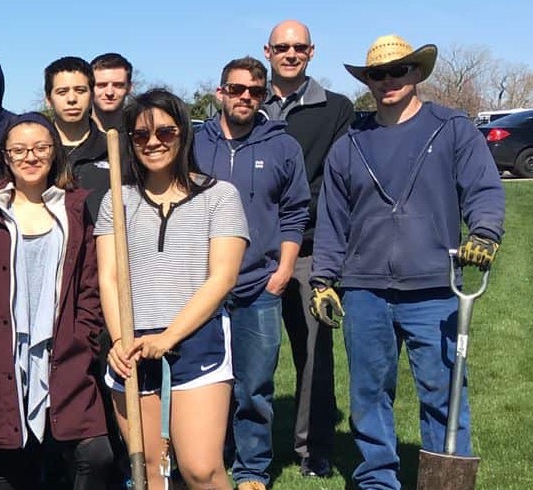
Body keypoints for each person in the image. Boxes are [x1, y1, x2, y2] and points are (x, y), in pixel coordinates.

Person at [313, 35, 505, 490]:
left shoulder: (451, 127)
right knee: (368, 394)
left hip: (436, 288)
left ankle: (446, 478)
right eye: (377, 74)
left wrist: (483, 233)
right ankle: (378, 478)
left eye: (398, 71)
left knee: (444, 391)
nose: (388, 81)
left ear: (416, 73)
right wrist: (323, 278)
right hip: (364, 290)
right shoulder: (350, 144)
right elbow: (333, 217)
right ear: (367, 82)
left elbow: (483, 189)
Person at [0, 113, 113, 489]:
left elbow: (89, 286)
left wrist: (83, 338)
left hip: (63, 351)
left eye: (40, 148)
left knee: (95, 454)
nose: (30, 157)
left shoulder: (73, 210)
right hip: (4, 354)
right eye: (19, 150)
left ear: (55, 153)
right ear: (5, 155)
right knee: (10, 462)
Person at [97, 89, 246, 490]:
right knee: (148, 467)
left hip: (197, 341)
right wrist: (119, 340)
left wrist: (169, 337)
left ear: (183, 134)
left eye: (165, 131)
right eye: (140, 135)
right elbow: (108, 276)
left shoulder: (219, 196)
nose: (153, 142)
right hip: (131, 345)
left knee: (200, 468)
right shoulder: (118, 199)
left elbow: (222, 278)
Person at [192, 57, 311, 490]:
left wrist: (282, 270)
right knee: (201, 381)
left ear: (263, 96)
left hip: (257, 285)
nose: (246, 97)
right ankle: (205, 460)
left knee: (254, 386)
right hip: (201, 286)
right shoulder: (194, 143)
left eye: (255, 91)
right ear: (220, 91)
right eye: (237, 89)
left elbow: (296, 210)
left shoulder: (282, 146)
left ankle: (251, 469)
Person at [260, 20, 353, 477]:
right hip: (248, 251)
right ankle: (244, 447)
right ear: (267, 51)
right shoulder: (247, 101)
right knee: (242, 354)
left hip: (311, 249)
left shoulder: (335, 109)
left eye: (299, 47)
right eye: (282, 47)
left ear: (312, 52)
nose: (290, 53)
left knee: (314, 353)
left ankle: (313, 449)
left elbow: (333, 183)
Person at [43, 56, 114, 218]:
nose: (72, 99)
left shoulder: (115, 150)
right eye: (62, 92)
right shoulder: (34, 153)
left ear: (92, 95)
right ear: (48, 99)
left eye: (80, 90)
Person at [90, 53, 134, 132]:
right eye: (102, 85)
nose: (109, 92)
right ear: (90, 87)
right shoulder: (71, 135)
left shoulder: (140, 137)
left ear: (129, 88)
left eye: (118, 85)